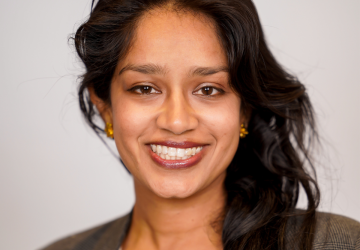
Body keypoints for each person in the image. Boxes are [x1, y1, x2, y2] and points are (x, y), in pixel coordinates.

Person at [42, 0, 360, 249]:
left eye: (209, 90)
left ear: (244, 112)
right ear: (106, 108)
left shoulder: (338, 244)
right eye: (145, 88)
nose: (177, 121)